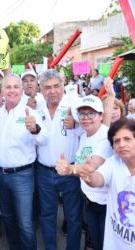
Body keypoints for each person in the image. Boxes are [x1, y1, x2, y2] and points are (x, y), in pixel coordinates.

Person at [0, 74, 47, 250]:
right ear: (2, 90)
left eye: (16, 87)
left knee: (24, 222)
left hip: (22, 176)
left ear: (22, 91)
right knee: (7, 216)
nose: (12, 90)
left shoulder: (31, 113)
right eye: (8, 87)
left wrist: (35, 129)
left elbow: (44, 139)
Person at [56, 94, 114, 250]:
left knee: (105, 245)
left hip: (105, 205)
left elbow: (93, 165)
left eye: (91, 113)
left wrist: (70, 169)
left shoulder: (105, 138)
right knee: (96, 242)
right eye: (82, 113)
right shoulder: (85, 134)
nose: (86, 118)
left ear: (100, 116)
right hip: (90, 201)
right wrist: (111, 95)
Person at [37, 69, 82, 250]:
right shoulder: (37, 108)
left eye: (56, 86)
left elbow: (88, 132)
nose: (52, 91)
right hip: (44, 172)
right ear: (42, 89)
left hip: (70, 171)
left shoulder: (74, 105)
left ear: (63, 85)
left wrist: (76, 124)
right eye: (47, 87)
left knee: (73, 218)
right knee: (47, 216)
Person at [83, 118, 135, 249]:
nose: (122, 144)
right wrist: (88, 176)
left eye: (127, 139)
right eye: (116, 141)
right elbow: (98, 179)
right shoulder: (114, 162)